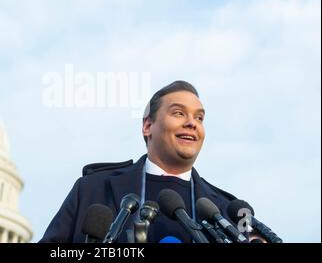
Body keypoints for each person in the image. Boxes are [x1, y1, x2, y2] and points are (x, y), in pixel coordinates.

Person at [40, 80, 242, 243]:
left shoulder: (227, 210)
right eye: (179, 113)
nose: (192, 123)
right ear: (147, 125)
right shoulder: (92, 189)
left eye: (199, 118)